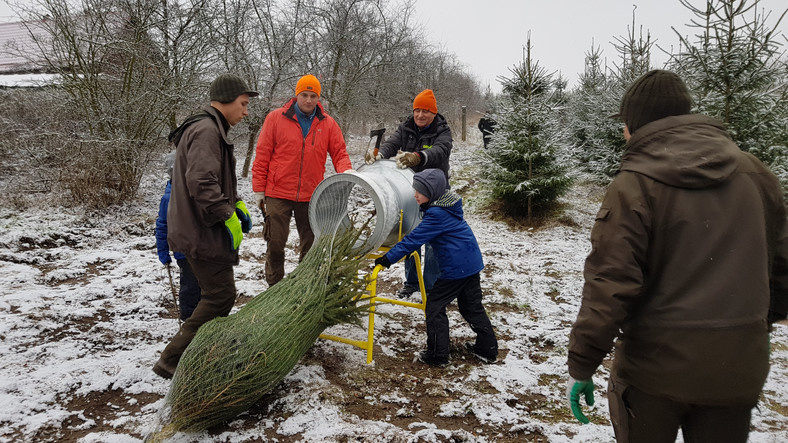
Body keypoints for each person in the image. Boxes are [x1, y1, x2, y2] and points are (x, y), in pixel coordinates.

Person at [566, 69, 788, 442]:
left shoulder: (633, 183)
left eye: (624, 123)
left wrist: (583, 363)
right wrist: (757, 329)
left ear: (636, 123)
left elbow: (611, 283)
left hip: (654, 373)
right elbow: (781, 266)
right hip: (737, 369)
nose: (623, 132)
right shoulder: (757, 174)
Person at [152, 73, 257, 379]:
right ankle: (172, 360)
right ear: (226, 100)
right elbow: (200, 181)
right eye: (243, 103)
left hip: (197, 228)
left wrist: (235, 202)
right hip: (202, 230)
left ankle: (201, 353)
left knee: (214, 294)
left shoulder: (208, 127)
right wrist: (226, 215)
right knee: (220, 296)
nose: (246, 111)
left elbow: (213, 178)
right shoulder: (208, 130)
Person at [374, 168, 498, 367]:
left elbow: (414, 239)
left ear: (431, 193)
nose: (415, 195)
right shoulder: (445, 206)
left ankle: (438, 355)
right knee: (471, 307)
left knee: (434, 306)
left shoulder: (437, 214)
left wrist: (387, 259)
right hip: (471, 263)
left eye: (419, 192)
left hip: (457, 269)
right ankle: (487, 349)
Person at [251, 74, 353, 287]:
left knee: (310, 243)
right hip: (278, 191)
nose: (308, 100)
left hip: (311, 194)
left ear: (319, 98)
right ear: (297, 95)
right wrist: (259, 189)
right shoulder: (276, 118)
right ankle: (275, 286)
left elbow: (340, 153)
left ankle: (303, 286)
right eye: (304, 95)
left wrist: (347, 176)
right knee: (276, 243)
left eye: (313, 96)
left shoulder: (328, 124)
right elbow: (262, 155)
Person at [365, 89, 452, 298]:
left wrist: (418, 157)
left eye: (425, 111)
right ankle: (412, 283)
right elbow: (392, 143)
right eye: (417, 110)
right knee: (410, 234)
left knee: (432, 240)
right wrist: (379, 154)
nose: (420, 115)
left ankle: (431, 287)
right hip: (411, 191)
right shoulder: (406, 128)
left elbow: (440, 150)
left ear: (434, 113)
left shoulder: (443, 131)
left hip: (436, 193)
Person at [154, 151, 201, 321]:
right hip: (184, 251)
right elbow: (162, 226)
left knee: (206, 283)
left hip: (204, 247)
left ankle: (205, 314)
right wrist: (163, 253)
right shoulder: (169, 198)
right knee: (190, 284)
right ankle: (188, 317)